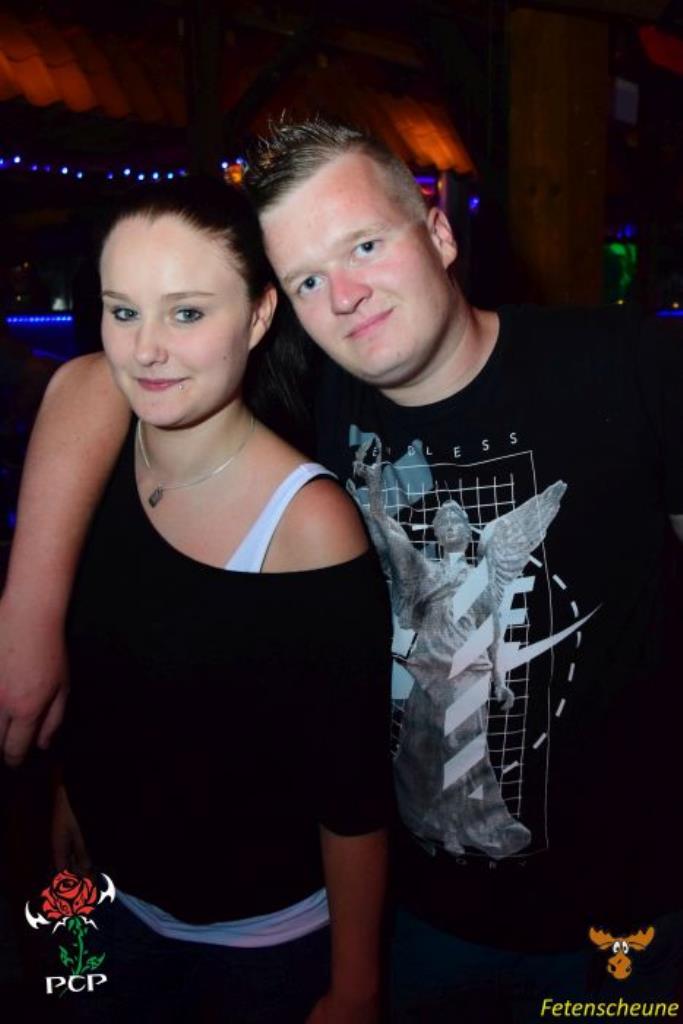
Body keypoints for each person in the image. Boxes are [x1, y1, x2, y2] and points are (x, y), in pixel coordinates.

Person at [2, 119, 683, 1020]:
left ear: (438, 233)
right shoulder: (310, 392)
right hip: (415, 920)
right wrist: (32, 604)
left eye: (364, 245)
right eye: (308, 279)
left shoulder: (624, 363)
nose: (347, 295)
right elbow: (108, 376)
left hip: (624, 926)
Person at [10, 176, 392, 1023]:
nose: (146, 349)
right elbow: (112, 676)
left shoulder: (308, 524)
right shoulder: (95, 457)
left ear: (257, 317)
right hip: (109, 906)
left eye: (186, 313)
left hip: (259, 951)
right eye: (123, 311)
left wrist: (355, 986)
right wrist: (72, 789)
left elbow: (353, 790)